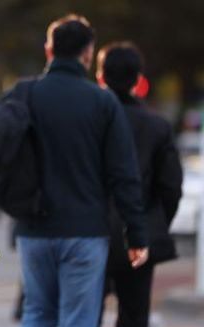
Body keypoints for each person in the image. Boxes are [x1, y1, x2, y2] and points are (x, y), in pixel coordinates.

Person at [12, 15, 149, 327]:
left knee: (37, 312)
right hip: (84, 230)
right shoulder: (102, 102)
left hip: (33, 228)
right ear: (88, 54)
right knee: (78, 319)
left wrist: (13, 206)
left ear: (49, 51)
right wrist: (136, 233)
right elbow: (123, 174)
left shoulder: (23, 95)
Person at [96, 42, 183, 327]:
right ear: (138, 78)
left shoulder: (89, 119)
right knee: (134, 315)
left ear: (101, 75)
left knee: (84, 312)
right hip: (139, 232)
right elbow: (170, 186)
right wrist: (156, 222)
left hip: (89, 231)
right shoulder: (156, 126)